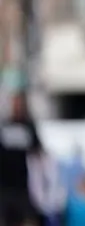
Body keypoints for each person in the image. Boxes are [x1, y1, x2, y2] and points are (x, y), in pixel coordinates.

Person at [0, 93, 43, 226]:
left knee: (26, 218)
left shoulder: (28, 126)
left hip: (23, 184)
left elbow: (38, 151)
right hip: (4, 184)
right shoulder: (4, 126)